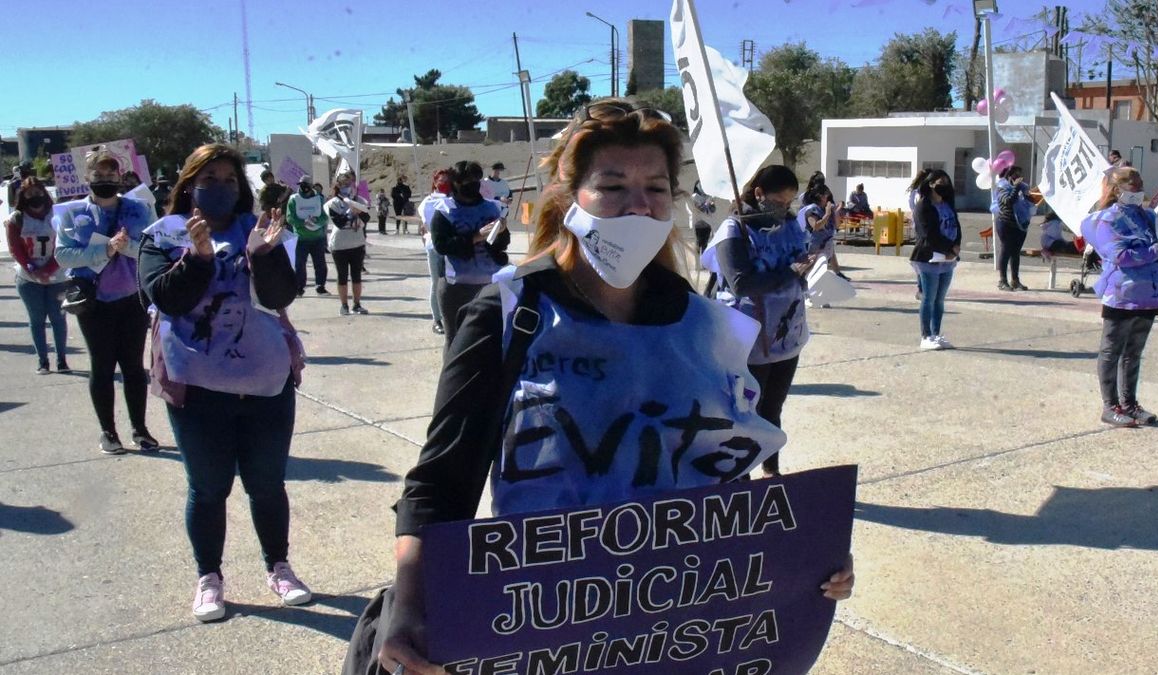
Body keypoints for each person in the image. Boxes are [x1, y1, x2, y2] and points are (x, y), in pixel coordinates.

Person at [371, 98, 854, 675]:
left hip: (676, 625)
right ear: (569, 195)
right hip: (540, 624)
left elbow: (729, 487)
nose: (638, 205)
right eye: (613, 185)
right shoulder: (507, 315)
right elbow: (439, 483)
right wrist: (409, 602)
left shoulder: (705, 325)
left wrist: (803, 557)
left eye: (655, 187)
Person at [139, 143, 311, 622]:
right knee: (210, 488)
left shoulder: (262, 231)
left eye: (230, 179)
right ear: (189, 184)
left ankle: (279, 568)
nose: (220, 187)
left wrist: (264, 254)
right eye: (208, 178)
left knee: (267, 484)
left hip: (266, 385)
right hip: (198, 390)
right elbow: (165, 300)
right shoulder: (162, 236)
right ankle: (209, 578)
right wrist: (195, 258)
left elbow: (280, 296)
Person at [702, 165, 816, 478]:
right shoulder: (734, 230)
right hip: (748, 338)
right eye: (778, 202)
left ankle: (771, 471)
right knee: (745, 412)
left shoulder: (789, 223)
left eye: (790, 202)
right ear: (759, 194)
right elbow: (740, 283)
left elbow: (796, 261)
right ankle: (743, 474)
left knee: (772, 410)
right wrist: (789, 272)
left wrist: (809, 273)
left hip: (786, 336)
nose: (784, 209)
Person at [53, 147, 160, 455]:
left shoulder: (138, 209)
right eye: (98, 174)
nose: (104, 179)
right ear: (87, 177)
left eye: (110, 174)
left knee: (133, 367)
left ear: (120, 176)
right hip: (94, 301)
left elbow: (153, 247)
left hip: (132, 299)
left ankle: (140, 430)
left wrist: (125, 248)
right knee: (101, 366)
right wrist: (104, 251)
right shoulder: (73, 213)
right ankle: (108, 432)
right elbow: (63, 255)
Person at [1082, 167, 1158, 427]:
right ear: (1116, 188)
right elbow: (1119, 256)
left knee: (1134, 352)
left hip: (1150, 295)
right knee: (1112, 351)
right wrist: (1155, 251)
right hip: (1122, 294)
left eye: (1140, 180)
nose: (1138, 185)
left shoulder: (1147, 216)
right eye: (1132, 182)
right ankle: (1110, 405)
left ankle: (1130, 403)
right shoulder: (1106, 219)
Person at [430, 161, 507, 346]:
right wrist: (475, 237)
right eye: (467, 181)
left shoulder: (492, 207)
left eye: (476, 180)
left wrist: (501, 231)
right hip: (456, 286)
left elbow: (502, 244)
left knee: (489, 339)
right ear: (455, 183)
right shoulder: (444, 210)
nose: (472, 185)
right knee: (455, 340)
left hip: (490, 284)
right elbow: (442, 245)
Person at [5, 177, 69, 374]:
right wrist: (33, 269)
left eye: (38, 192)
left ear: (45, 192)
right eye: (30, 193)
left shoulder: (57, 214)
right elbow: (15, 249)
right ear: (22, 196)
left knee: (58, 318)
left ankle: (62, 360)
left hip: (57, 276)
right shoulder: (16, 219)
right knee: (37, 319)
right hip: (28, 278)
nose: (35, 196)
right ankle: (43, 361)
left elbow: (64, 243)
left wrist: (49, 269)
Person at [910, 169, 961, 351]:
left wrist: (956, 247)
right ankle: (926, 336)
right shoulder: (923, 206)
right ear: (930, 184)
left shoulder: (947, 204)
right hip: (929, 257)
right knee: (928, 298)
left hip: (948, 260)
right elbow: (928, 234)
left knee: (940, 299)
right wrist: (948, 248)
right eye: (940, 182)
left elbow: (956, 226)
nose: (944, 185)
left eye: (946, 182)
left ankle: (936, 334)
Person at [325, 171, 370, 315]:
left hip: (357, 244)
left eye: (349, 184)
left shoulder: (360, 201)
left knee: (356, 275)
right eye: (344, 184)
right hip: (340, 245)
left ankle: (357, 304)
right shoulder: (333, 203)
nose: (347, 187)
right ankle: (344, 305)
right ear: (338, 185)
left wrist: (358, 210)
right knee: (342, 276)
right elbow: (338, 222)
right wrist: (350, 212)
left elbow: (366, 218)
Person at [417, 169, 453, 335]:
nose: (445, 183)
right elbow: (429, 225)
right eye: (442, 180)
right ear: (435, 182)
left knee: (451, 282)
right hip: (435, 246)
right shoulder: (428, 202)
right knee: (436, 282)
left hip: (451, 246)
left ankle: (449, 316)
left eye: (448, 180)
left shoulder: (453, 199)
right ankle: (436, 319)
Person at [286, 175, 330, 297]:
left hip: (317, 237)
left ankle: (320, 286)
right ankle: (299, 287)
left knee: (320, 263)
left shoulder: (319, 199)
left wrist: (317, 221)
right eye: (302, 185)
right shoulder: (293, 199)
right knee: (300, 264)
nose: (305, 188)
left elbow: (325, 216)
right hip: (301, 238)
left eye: (307, 185)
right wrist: (302, 223)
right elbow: (290, 218)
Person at [993, 166, 1035, 291]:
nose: (1018, 179)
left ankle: (1015, 280)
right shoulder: (1002, 188)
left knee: (1016, 252)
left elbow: (1031, 202)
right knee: (1006, 250)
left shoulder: (1021, 189)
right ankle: (1002, 280)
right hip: (1006, 223)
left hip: (1020, 225)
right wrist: (1016, 187)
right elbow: (1008, 201)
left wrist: (1028, 194)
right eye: (1015, 175)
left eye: (1020, 176)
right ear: (1009, 176)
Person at [801, 183, 850, 283]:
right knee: (810, 267)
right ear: (821, 196)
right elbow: (816, 226)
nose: (828, 197)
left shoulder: (827, 209)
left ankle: (837, 273)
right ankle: (801, 283)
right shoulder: (812, 210)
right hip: (815, 245)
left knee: (826, 260)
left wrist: (836, 212)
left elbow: (836, 226)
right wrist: (827, 214)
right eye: (826, 195)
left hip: (827, 242)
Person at [907, 169, 932, 301]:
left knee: (925, 259)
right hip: (921, 228)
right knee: (923, 258)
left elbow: (911, 207)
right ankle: (922, 288)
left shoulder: (914, 192)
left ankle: (923, 288)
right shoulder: (920, 193)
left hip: (919, 227)